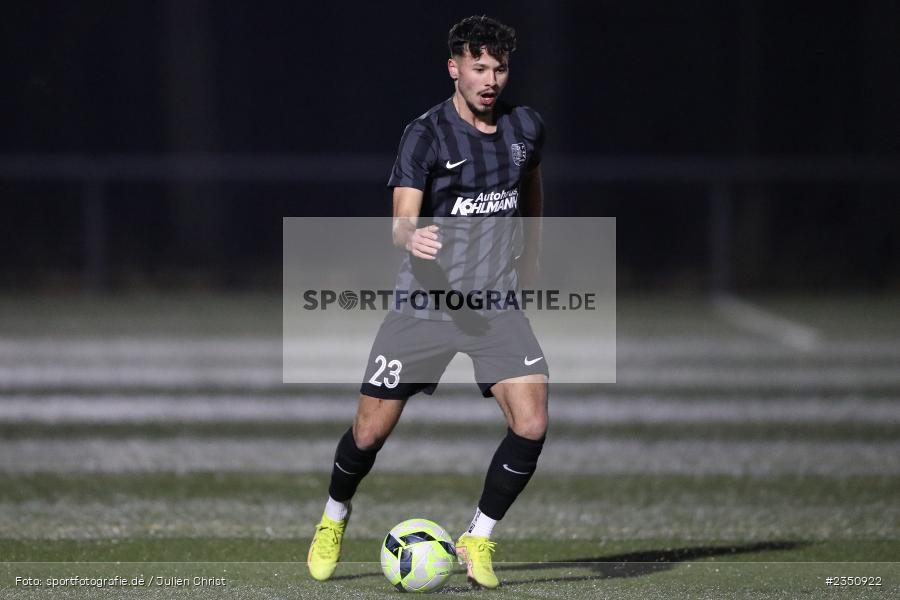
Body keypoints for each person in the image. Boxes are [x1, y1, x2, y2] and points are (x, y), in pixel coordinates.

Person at [307, 15, 548, 589]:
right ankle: (334, 517)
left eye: (499, 68)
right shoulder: (426, 134)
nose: (490, 79)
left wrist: (532, 253)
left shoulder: (525, 126)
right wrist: (410, 235)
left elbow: (531, 185)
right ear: (454, 68)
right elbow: (402, 219)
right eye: (479, 67)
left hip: (494, 307)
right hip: (424, 307)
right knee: (368, 434)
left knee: (533, 422)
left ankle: (478, 537)